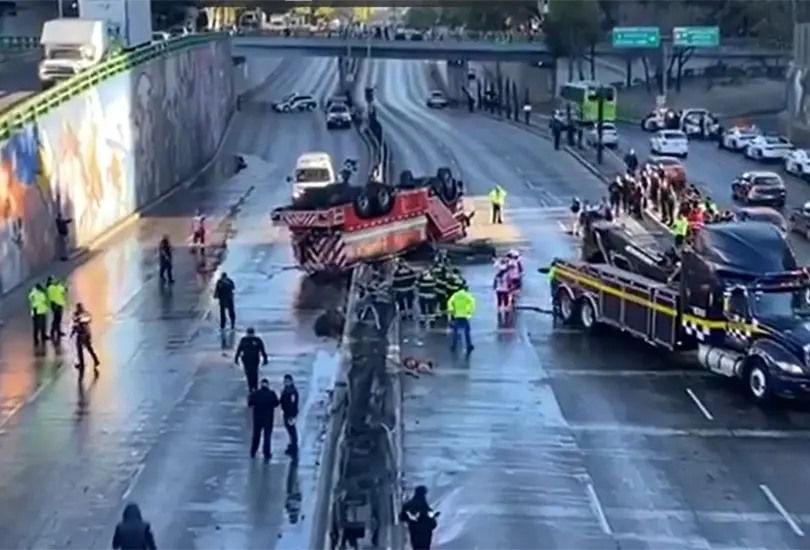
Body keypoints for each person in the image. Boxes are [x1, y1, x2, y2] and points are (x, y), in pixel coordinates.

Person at [248, 378, 279, 461]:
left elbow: (250, 403)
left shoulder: (256, 394)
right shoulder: (271, 394)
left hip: (257, 419)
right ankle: (266, 453)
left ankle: (253, 451)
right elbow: (276, 403)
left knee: (256, 436)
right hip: (268, 419)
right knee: (267, 437)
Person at [399, 486, 438, 550]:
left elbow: (402, 517)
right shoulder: (425, 507)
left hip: (414, 532)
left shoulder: (409, 504)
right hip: (425, 534)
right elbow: (433, 524)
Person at [235, 327, 268, 394]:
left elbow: (262, 349)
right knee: (248, 373)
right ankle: (250, 386)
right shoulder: (244, 340)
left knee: (255, 372)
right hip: (246, 359)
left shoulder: (257, 340)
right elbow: (239, 349)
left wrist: (265, 359)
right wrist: (236, 358)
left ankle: (255, 386)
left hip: (255, 359)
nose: (250, 335)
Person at [72, 303, 100, 376]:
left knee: (81, 349)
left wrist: (78, 321)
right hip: (86, 333)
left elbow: (82, 321)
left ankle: (82, 364)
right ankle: (95, 360)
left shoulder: (81, 314)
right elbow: (76, 322)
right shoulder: (82, 314)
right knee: (88, 348)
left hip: (83, 333)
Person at [446, 282, 475, 353]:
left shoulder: (455, 295)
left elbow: (449, 302)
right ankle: (469, 345)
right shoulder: (467, 295)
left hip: (457, 315)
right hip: (465, 316)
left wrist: (451, 310)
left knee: (455, 331)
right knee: (467, 331)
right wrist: (469, 312)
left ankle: (453, 345)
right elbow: (472, 303)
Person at [280, 374, 299, 456]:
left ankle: (293, 446)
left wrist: (292, 414)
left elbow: (292, 403)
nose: (286, 383)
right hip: (287, 412)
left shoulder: (291, 392)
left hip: (289, 413)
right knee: (290, 430)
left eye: (287, 381)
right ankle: (292, 445)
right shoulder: (287, 390)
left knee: (292, 430)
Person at [46, 276, 67, 341]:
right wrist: (58, 285)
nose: (53, 280)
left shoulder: (55, 286)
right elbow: (52, 293)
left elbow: (63, 291)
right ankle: (53, 332)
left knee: (58, 319)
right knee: (56, 319)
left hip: (60, 304)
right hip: (55, 305)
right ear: (50, 281)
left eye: (53, 279)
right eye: (52, 280)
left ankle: (58, 331)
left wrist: (62, 287)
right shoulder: (50, 287)